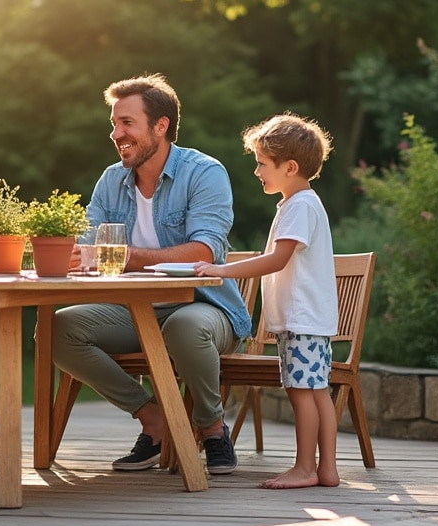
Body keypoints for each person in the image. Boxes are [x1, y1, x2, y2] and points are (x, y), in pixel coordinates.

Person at [51, 74, 252, 475]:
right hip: (134, 310)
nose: (116, 133)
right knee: (57, 329)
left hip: (203, 305)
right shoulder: (111, 180)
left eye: (127, 123)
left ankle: (211, 429)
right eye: (114, 123)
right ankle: (154, 420)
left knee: (184, 328)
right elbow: (83, 246)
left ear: (161, 126)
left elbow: (203, 251)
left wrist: (121, 257)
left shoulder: (204, 172)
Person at [195, 113, 339, 489]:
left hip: (301, 319)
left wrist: (220, 271)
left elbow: (277, 259)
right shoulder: (301, 204)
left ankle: (305, 467)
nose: (257, 171)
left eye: (262, 163)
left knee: (301, 390)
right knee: (316, 390)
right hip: (310, 320)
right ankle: (326, 469)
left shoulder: (299, 207)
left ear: (289, 167)